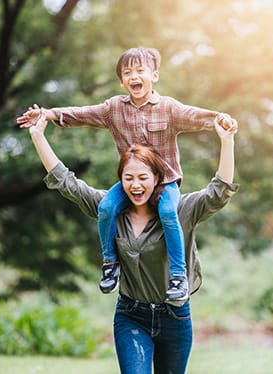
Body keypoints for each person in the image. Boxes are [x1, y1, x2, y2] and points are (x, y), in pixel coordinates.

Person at [17, 46, 238, 301]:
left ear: (154, 75)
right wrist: (49, 114)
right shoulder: (114, 109)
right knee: (106, 208)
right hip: (130, 183)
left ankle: (178, 274)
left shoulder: (168, 108)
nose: (134, 76)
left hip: (165, 182)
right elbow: (82, 114)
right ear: (122, 81)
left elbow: (194, 115)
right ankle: (110, 263)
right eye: (127, 72)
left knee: (168, 212)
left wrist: (220, 120)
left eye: (140, 70)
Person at [26, 109, 238, 374]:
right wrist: (38, 136)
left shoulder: (182, 210)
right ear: (121, 180)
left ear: (158, 179)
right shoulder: (111, 210)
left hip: (175, 317)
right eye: (128, 178)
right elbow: (68, 183)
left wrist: (227, 142)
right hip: (130, 315)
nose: (135, 185)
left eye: (142, 178)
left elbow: (218, 193)